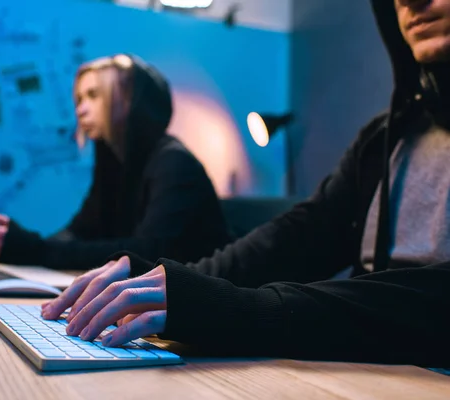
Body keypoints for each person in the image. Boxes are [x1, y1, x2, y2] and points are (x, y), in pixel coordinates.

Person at [40, 0, 450, 367]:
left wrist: (228, 309)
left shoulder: (172, 163)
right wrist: (173, 282)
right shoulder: (387, 138)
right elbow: (298, 238)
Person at [0, 54, 232, 270]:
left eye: (93, 95)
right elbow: (79, 232)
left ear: (130, 99)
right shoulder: (113, 165)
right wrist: (26, 248)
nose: (80, 109)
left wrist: (34, 250)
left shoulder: (174, 164)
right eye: (79, 99)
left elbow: (148, 253)